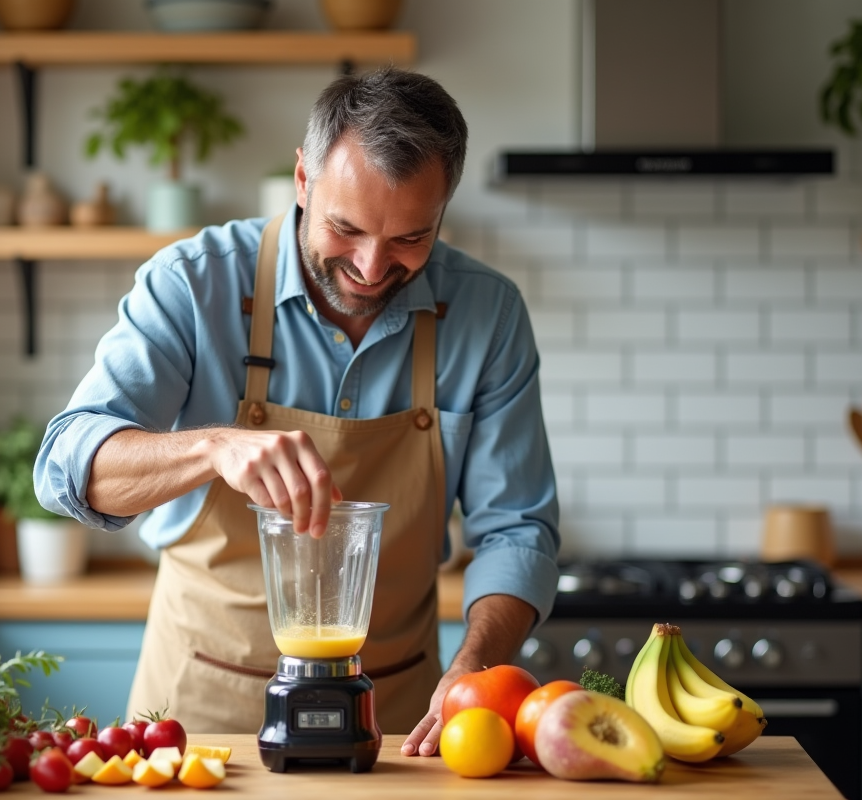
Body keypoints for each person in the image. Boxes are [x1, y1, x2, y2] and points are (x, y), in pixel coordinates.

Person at [34, 66, 560, 757]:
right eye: (347, 229)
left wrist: (476, 665)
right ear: (303, 180)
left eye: (409, 238)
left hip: (398, 724)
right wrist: (212, 449)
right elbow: (67, 468)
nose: (373, 267)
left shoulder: (486, 315)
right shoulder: (193, 283)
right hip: (196, 721)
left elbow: (518, 532)